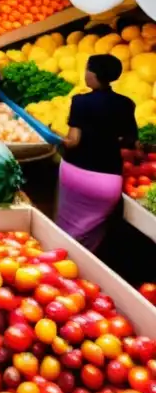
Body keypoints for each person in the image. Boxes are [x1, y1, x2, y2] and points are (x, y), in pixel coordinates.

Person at [58, 54, 139, 250]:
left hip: (77, 174)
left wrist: (54, 138)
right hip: (107, 181)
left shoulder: (80, 101)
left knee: (65, 230)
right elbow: (131, 142)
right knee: (90, 236)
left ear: (93, 74)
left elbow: (73, 142)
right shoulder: (126, 104)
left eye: (87, 69)